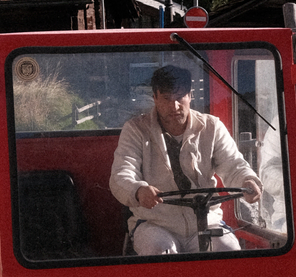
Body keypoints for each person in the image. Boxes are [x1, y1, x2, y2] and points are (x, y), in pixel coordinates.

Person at [110, 63, 262, 255]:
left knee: (229, 253)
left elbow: (233, 164)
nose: (174, 106)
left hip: (207, 221)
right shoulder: (136, 130)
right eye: (166, 98)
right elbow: (121, 175)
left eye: (180, 97)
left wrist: (247, 180)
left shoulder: (212, 127)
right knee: (161, 251)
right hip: (155, 224)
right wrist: (138, 190)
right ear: (155, 98)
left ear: (190, 96)